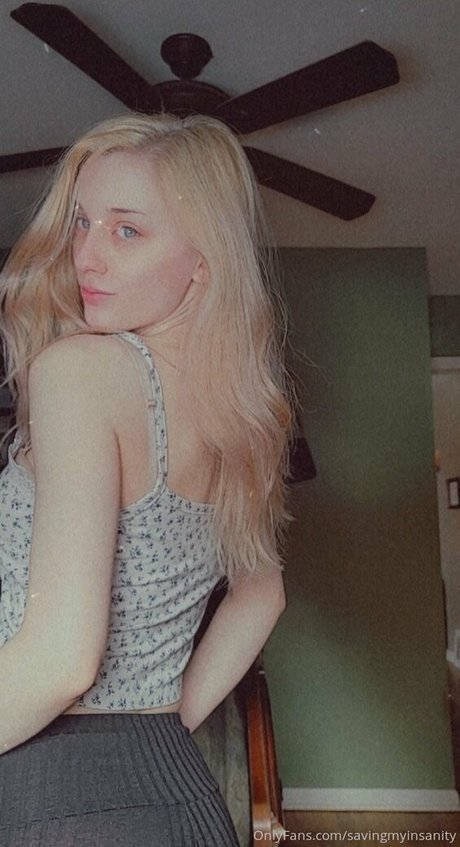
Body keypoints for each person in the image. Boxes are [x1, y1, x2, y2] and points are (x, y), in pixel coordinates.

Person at [0, 112, 294, 846]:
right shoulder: (236, 414)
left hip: (49, 794)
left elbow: (61, 660)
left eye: (127, 231)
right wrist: (160, 726)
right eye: (82, 223)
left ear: (204, 261)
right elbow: (263, 592)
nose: (86, 256)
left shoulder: (81, 371)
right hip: (174, 793)